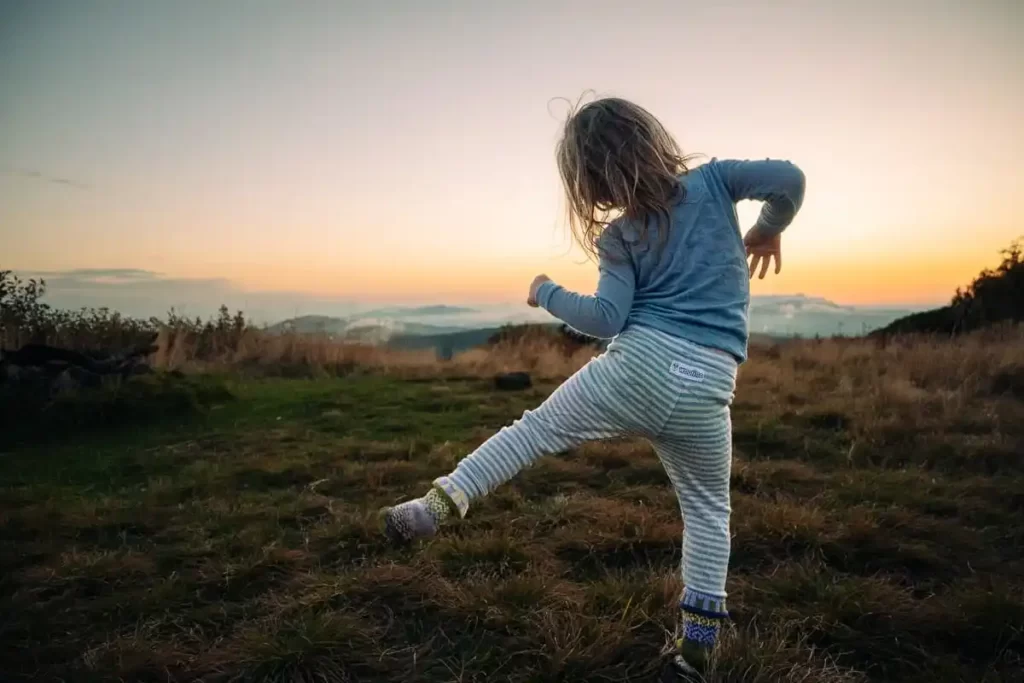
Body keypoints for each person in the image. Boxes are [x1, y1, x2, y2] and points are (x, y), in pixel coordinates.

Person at [381, 96, 805, 676]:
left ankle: (434, 506)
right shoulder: (718, 181)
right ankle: (698, 650)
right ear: (650, 137)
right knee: (708, 512)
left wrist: (546, 292)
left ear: (590, 182)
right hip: (710, 384)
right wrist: (765, 229)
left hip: (638, 367)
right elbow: (790, 180)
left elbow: (606, 318)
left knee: (532, 432)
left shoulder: (620, 237)